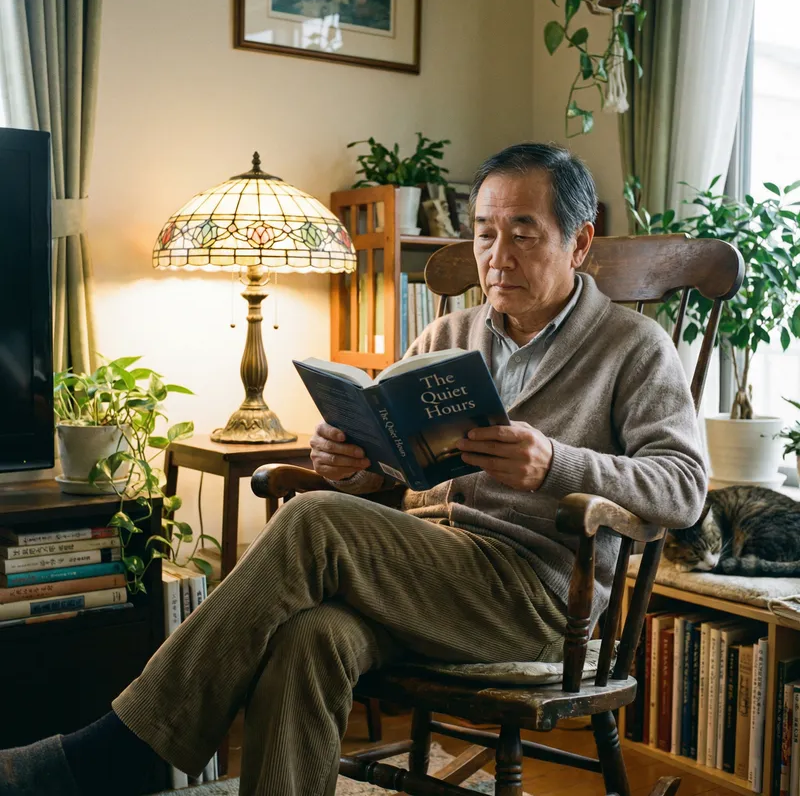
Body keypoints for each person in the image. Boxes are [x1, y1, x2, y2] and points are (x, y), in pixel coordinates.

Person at [0, 143, 707, 796]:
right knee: (309, 640)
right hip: (426, 575)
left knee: (312, 520)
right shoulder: (450, 335)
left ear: (578, 243)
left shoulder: (633, 347)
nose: (497, 257)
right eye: (485, 233)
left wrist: (557, 463)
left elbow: (684, 488)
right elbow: (397, 464)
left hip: (533, 599)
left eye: (523, 234)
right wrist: (348, 463)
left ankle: (122, 749)